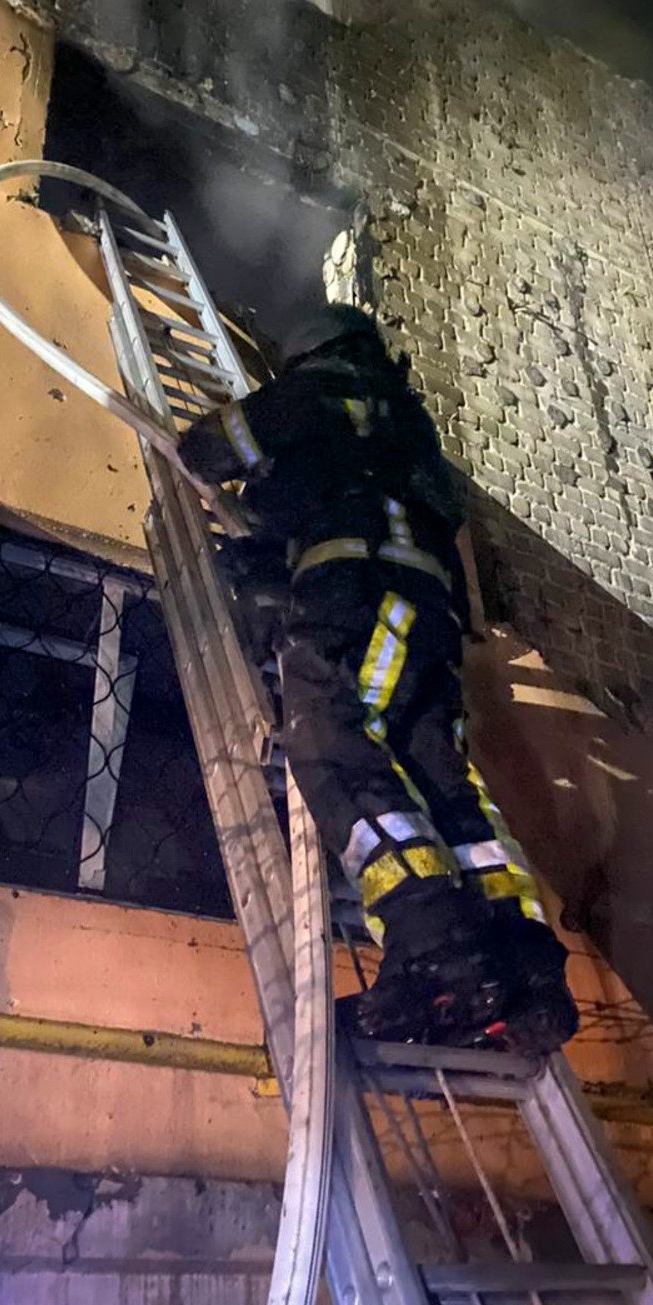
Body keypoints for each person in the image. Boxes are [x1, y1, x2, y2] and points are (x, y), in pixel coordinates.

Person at [178, 302, 577, 1054]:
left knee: (331, 742)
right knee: (438, 777)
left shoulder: (320, 390)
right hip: (429, 614)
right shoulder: (410, 428)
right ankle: (524, 963)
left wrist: (246, 483)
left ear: (311, 354)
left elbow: (207, 448)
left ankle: (436, 948)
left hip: (358, 595)